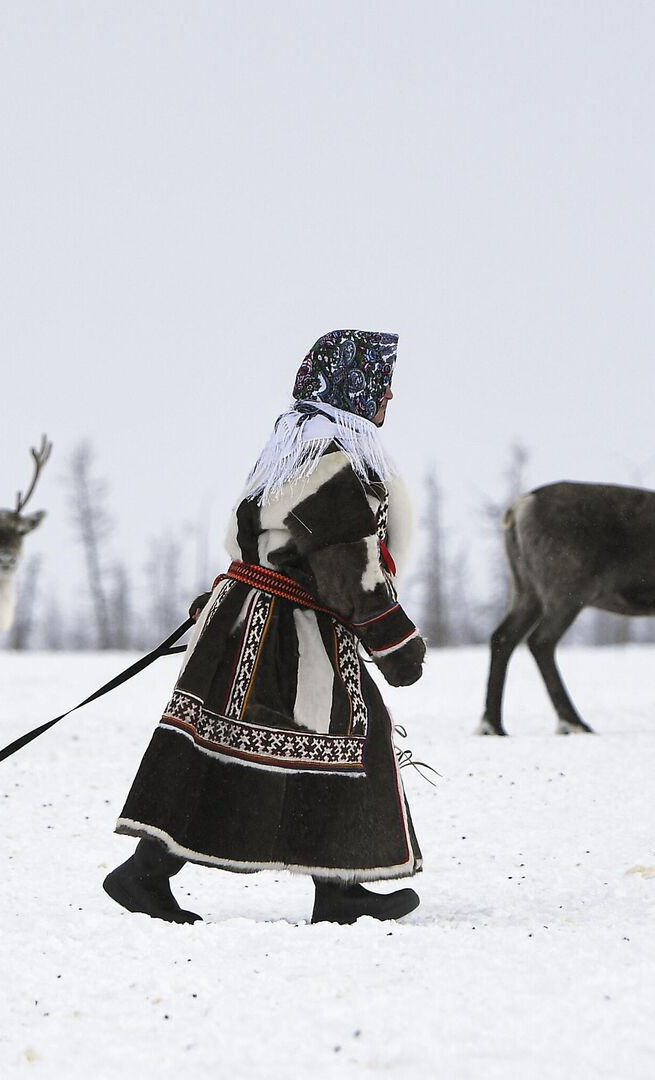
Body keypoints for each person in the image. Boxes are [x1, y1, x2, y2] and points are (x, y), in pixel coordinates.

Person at [106, 329, 426, 924]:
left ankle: (151, 873)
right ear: (356, 390)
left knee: (220, 748)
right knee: (350, 737)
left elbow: (256, 542)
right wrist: (395, 643)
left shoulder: (286, 454)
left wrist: (224, 604)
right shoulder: (335, 462)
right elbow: (346, 565)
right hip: (290, 633)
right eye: (382, 387)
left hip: (247, 624)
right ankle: (337, 891)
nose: (388, 402)